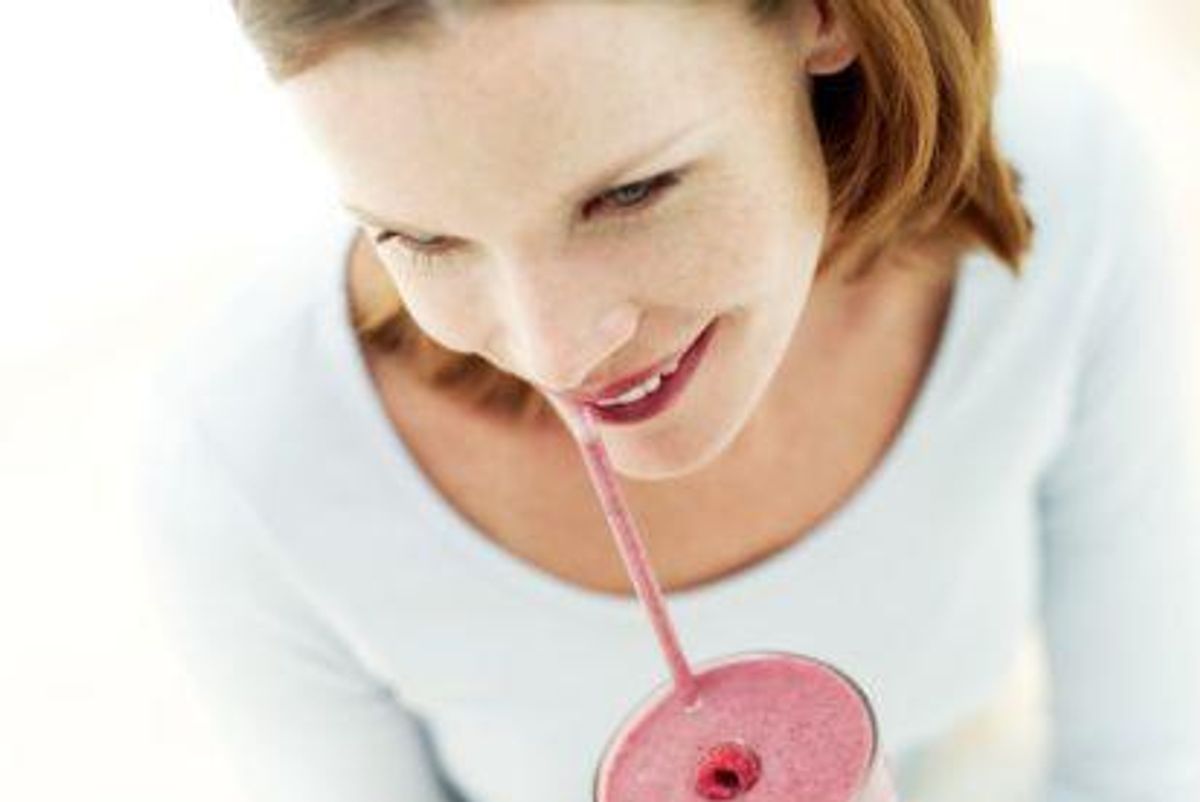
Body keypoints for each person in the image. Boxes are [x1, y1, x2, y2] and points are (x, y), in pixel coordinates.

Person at [136, 1, 1200, 801]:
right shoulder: (250, 466)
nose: (557, 350)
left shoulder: (1061, 191)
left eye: (630, 193)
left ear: (818, 18)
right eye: (424, 237)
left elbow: (1145, 753)